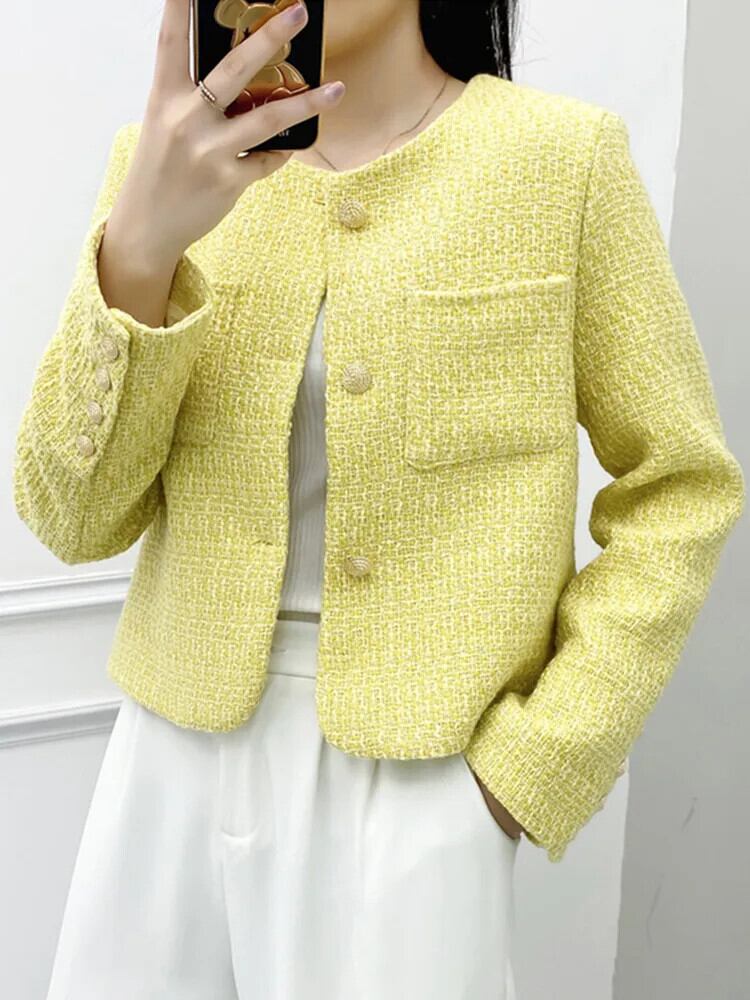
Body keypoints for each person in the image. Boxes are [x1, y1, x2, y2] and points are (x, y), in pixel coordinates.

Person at [13, 0, 744, 997]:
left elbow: (681, 487)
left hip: (418, 788)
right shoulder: (164, 171)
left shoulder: (560, 161)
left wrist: (532, 768)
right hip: (165, 764)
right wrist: (141, 245)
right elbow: (71, 517)